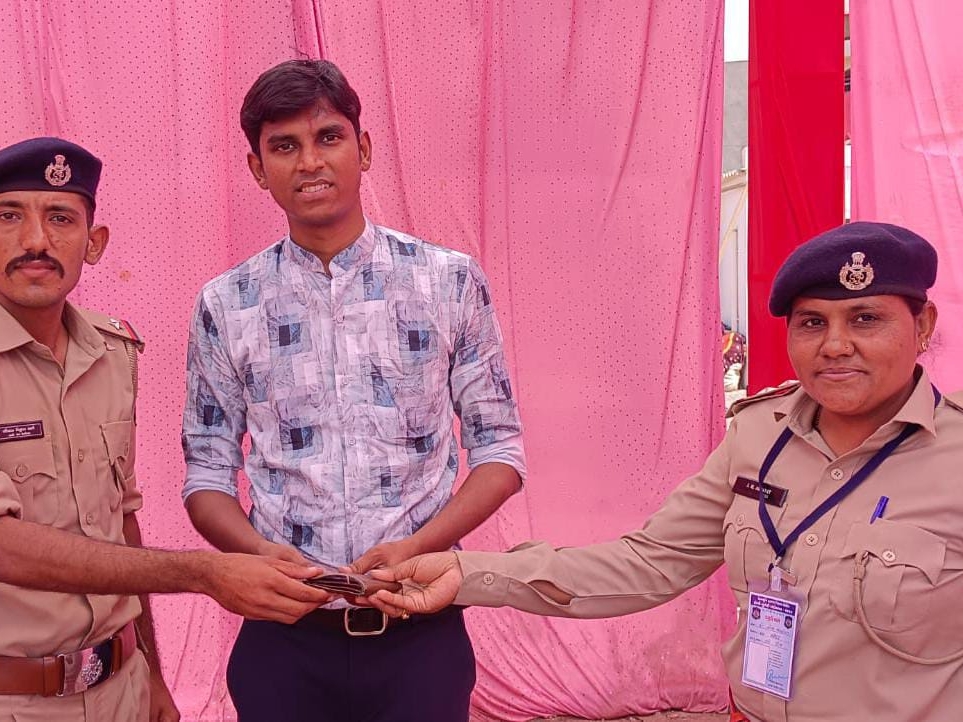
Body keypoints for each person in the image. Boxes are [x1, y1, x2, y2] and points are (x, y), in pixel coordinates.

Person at [369, 221, 963, 721]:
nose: (834, 345)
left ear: (924, 326)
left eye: (865, 319)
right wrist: (465, 573)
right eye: (812, 323)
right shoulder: (759, 437)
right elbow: (649, 562)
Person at [180, 59, 525, 722]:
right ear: (257, 169)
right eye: (284, 146)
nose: (310, 162)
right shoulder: (226, 303)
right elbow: (206, 475)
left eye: (328, 137)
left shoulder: (448, 282)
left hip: (419, 626)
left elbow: (500, 453)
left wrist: (420, 546)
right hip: (282, 637)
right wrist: (258, 556)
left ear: (362, 149)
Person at [0, 137, 332, 722]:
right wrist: (202, 573)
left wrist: (151, 671)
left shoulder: (112, 354)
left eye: (60, 218)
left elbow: (121, 520)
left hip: (121, 689)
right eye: (8, 216)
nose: (36, 242)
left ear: (94, 244)